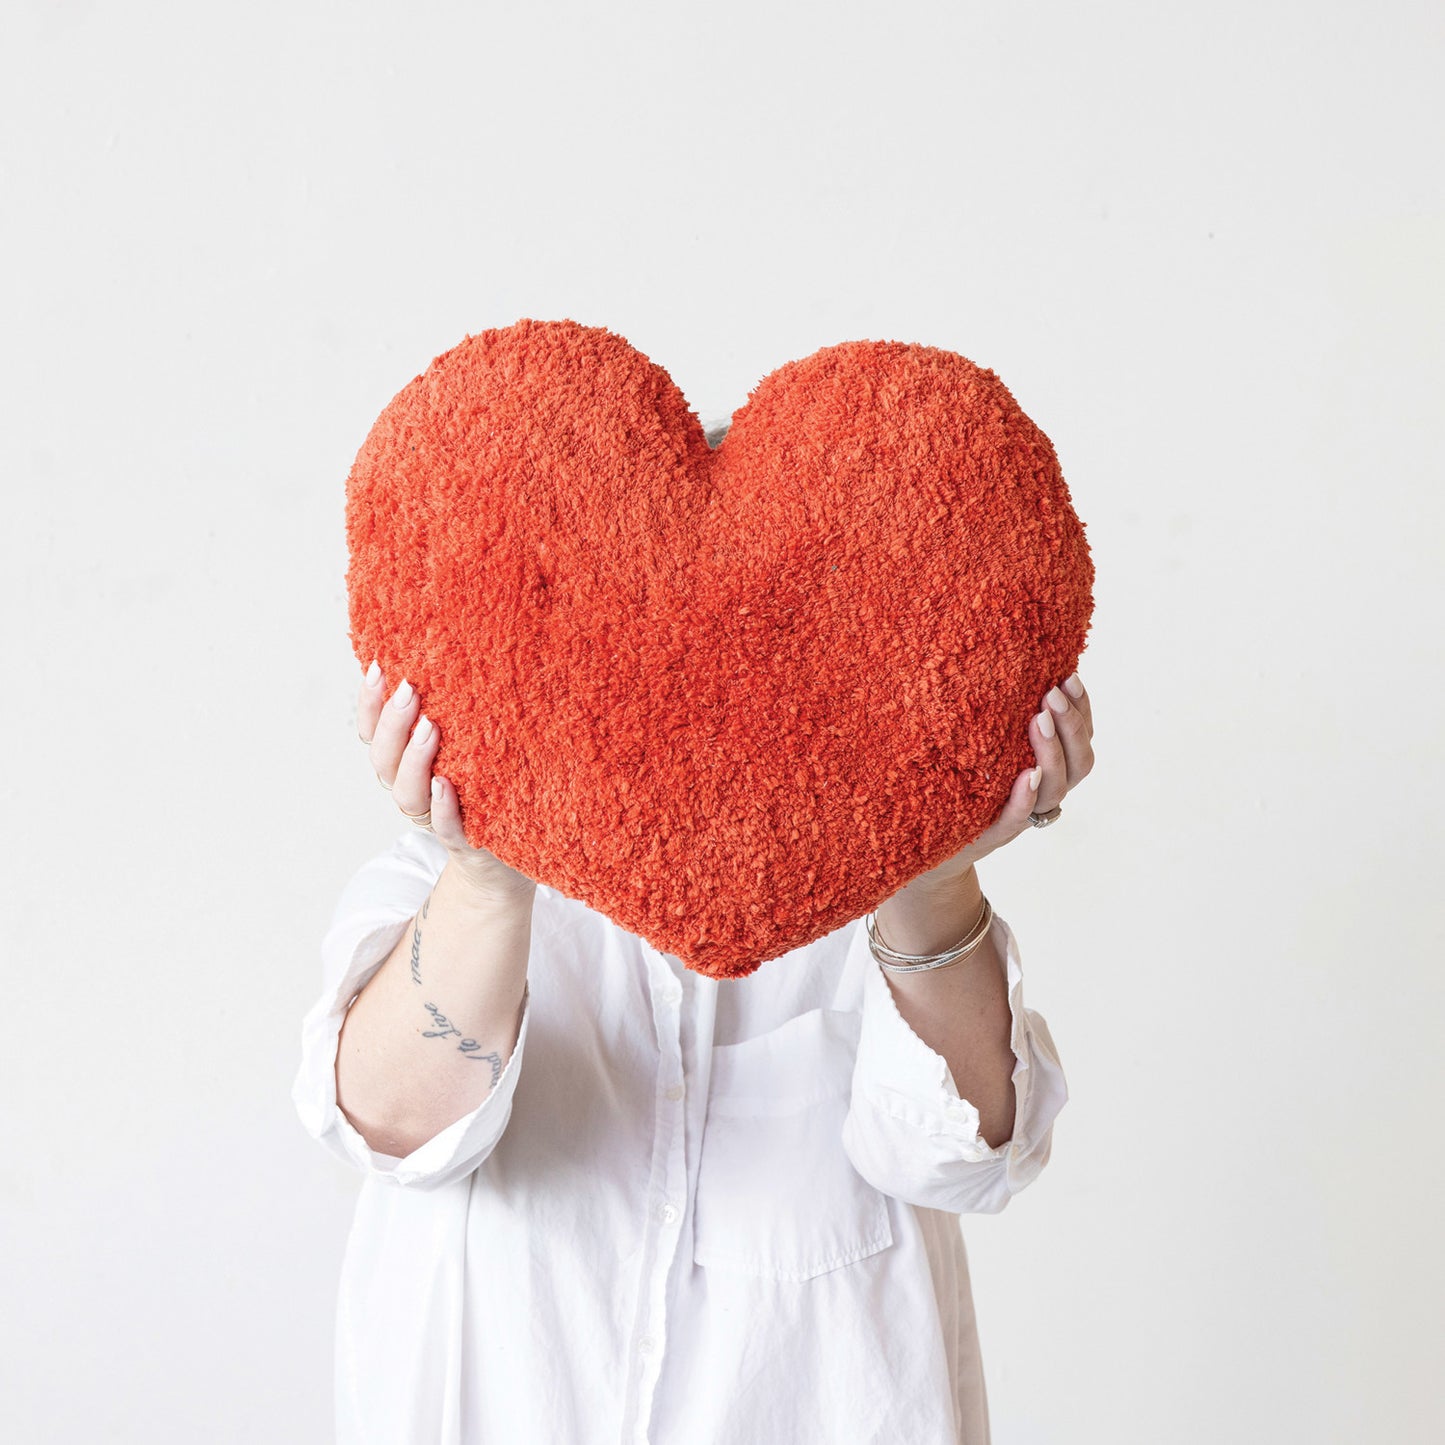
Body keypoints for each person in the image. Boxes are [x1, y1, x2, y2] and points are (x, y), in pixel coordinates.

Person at [293, 514, 1089, 1445]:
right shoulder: (434, 883)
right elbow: (391, 1126)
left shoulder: (870, 910)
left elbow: (961, 1159)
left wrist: (932, 875)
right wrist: (486, 872)